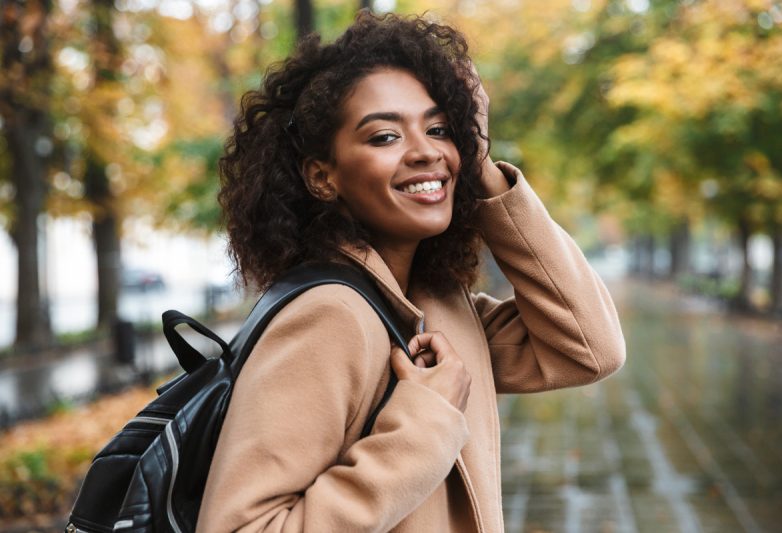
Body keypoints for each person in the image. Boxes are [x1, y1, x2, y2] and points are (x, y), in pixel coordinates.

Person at [197, 11, 625, 533]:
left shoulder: (434, 307)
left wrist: (484, 168)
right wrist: (421, 423)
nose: (426, 151)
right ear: (322, 177)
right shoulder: (329, 318)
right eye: (384, 137)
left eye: (440, 129)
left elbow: (589, 347)